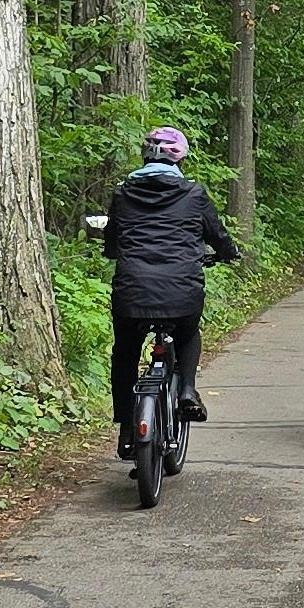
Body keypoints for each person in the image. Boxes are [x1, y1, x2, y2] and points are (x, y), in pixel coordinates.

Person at [96, 126, 237, 455]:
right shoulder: (193, 193)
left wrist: (116, 252)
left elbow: (112, 240)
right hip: (182, 286)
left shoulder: (123, 193)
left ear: (144, 156)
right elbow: (216, 234)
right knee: (188, 333)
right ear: (181, 159)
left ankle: (128, 427)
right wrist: (228, 253)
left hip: (133, 288)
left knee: (126, 350)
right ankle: (187, 389)